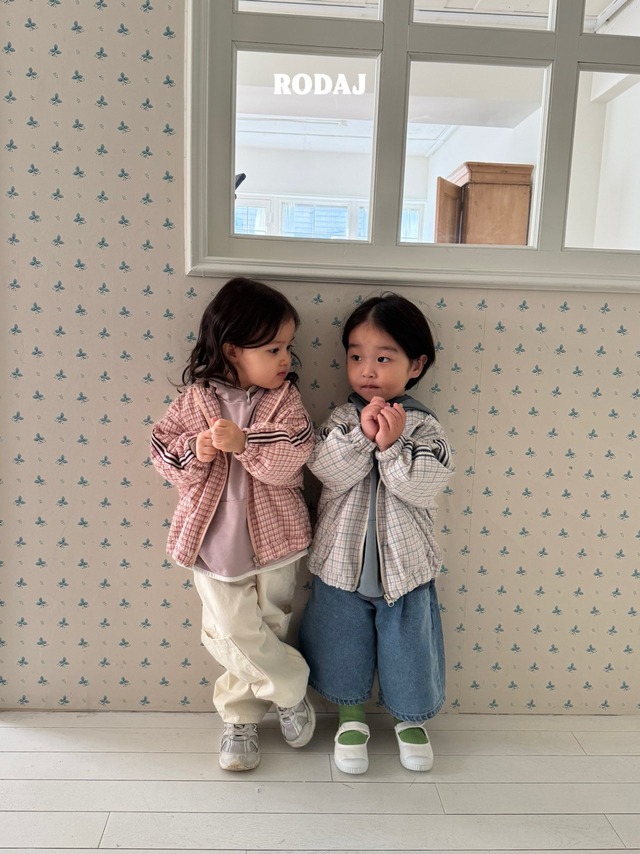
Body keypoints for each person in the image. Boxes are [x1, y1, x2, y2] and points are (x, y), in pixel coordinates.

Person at [150, 277, 316, 771]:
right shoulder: (196, 399)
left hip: (276, 537)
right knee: (229, 629)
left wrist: (246, 443)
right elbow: (162, 450)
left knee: (271, 623)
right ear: (232, 350)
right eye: (272, 348)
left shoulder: (284, 399)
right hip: (213, 541)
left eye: (287, 347)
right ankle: (290, 690)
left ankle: (240, 717)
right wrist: (196, 449)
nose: (285, 358)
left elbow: (298, 450)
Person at [298, 293, 454, 775]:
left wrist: (390, 447)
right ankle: (350, 717)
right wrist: (362, 439)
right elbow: (326, 471)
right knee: (341, 640)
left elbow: (422, 487)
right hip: (340, 562)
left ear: (416, 365)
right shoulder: (341, 420)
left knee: (410, 648)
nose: (367, 370)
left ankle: (411, 721)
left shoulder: (425, 427)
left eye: (383, 358)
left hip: (405, 569)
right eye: (356, 357)